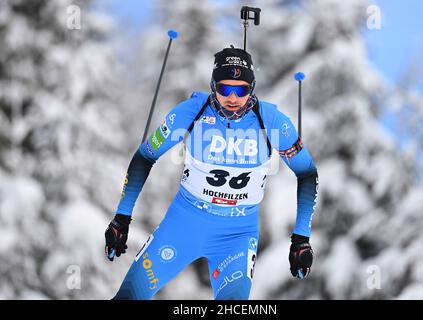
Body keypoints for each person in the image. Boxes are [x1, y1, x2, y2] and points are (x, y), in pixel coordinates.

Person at [105, 46, 319, 300]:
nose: (232, 97)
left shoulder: (271, 121)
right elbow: (146, 155)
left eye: (241, 90)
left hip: (236, 236)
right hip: (183, 224)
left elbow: (306, 173)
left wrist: (301, 238)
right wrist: (122, 217)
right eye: (224, 89)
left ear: (252, 88)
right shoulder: (192, 111)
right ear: (212, 86)